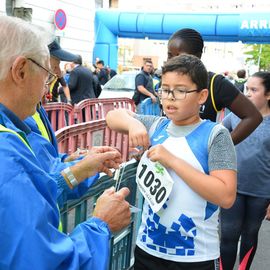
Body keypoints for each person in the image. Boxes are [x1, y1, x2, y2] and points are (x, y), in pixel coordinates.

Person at [0, 15, 131, 269]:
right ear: (21, 70)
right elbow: (45, 262)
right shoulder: (7, 157)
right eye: (48, 73)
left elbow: (39, 185)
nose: (48, 86)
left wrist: (81, 168)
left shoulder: (15, 126)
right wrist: (101, 225)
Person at [106, 54, 237, 270]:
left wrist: (173, 161)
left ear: (202, 96)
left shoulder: (215, 135)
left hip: (196, 257)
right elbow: (113, 116)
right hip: (147, 250)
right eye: (165, 89)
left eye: (181, 90)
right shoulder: (156, 125)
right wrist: (132, 124)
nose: (170, 97)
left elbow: (226, 195)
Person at [167, 28, 262, 145]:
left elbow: (253, 117)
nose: (173, 61)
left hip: (198, 162)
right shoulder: (167, 81)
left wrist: (220, 148)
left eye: (180, 56)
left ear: (197, 56)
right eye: (170, 55)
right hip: (165, 156)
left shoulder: (215, 83)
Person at [220, 71, 270, 270]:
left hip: (261, 193)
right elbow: (215, 142)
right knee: (228, 235)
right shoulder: (233, 118)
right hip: (233, 188)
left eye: (254, 89)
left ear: (268, 95)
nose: (247, 93)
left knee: (250, 236)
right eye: (246, 88)